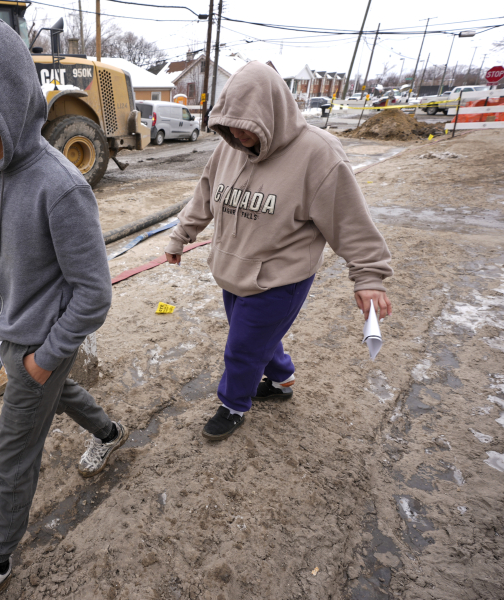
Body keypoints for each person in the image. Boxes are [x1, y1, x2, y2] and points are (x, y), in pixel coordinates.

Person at [0, 14, 128, 600]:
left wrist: (46, 356)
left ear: (2, 95)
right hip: (7, 335)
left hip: (41, 343)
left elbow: (95, 294)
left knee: (12, 454)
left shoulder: (61, 187)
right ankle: (111, 433)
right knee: (58, 394)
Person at [164, 61, 393, 441]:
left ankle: (234, 404)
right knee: (254, 337)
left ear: (272, 113)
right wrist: (180, 236)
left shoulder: (318, 155)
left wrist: (369, 276)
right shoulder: (229, 148)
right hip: (232, 272)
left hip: (280, 278)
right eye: (229, 124)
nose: (237, 134)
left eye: (247, 125)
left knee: (241, 348)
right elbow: (205, 195)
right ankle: (283, 380)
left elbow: (349, 220)